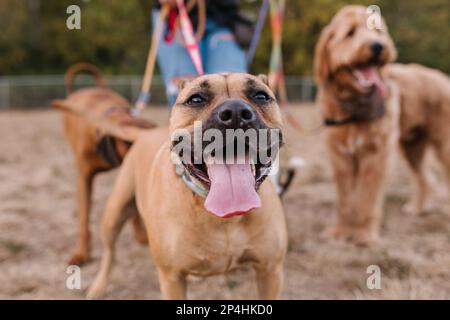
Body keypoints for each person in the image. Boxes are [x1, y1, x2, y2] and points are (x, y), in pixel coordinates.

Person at [153, 0, 252, 106]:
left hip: (223, 18)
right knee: (185, 93)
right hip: (176, 18)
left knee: (234, 89)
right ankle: (197, 123)